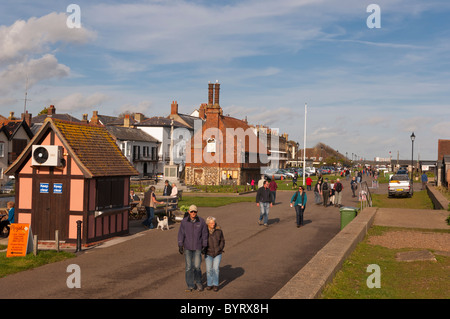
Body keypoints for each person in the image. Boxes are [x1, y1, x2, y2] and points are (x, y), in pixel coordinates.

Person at [178, 205, 208, 292]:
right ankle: (190, 285)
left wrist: (204, 245)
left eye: (195, 211)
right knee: (188, 267)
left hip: (198, 247)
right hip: (187, 247)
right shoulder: (184, 222)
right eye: (191, 211)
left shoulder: (201, 221)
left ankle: (198, 282)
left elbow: (205, 234)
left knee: (197, 266)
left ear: (197, 212)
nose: (193, 213)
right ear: (188, 212)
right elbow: (181, 234)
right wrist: (180, 245)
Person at [205, 216, 225, 292]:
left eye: (213, 222)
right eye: (211, 223)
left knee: (216, 269)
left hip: (218, 253)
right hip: (208, 253)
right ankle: (209, 284)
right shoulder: (204, 231)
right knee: (209, 269)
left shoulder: (219, 230)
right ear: (208, 224)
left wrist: (220, 248)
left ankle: (215, 284)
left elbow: (222, 240)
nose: (213, 224)